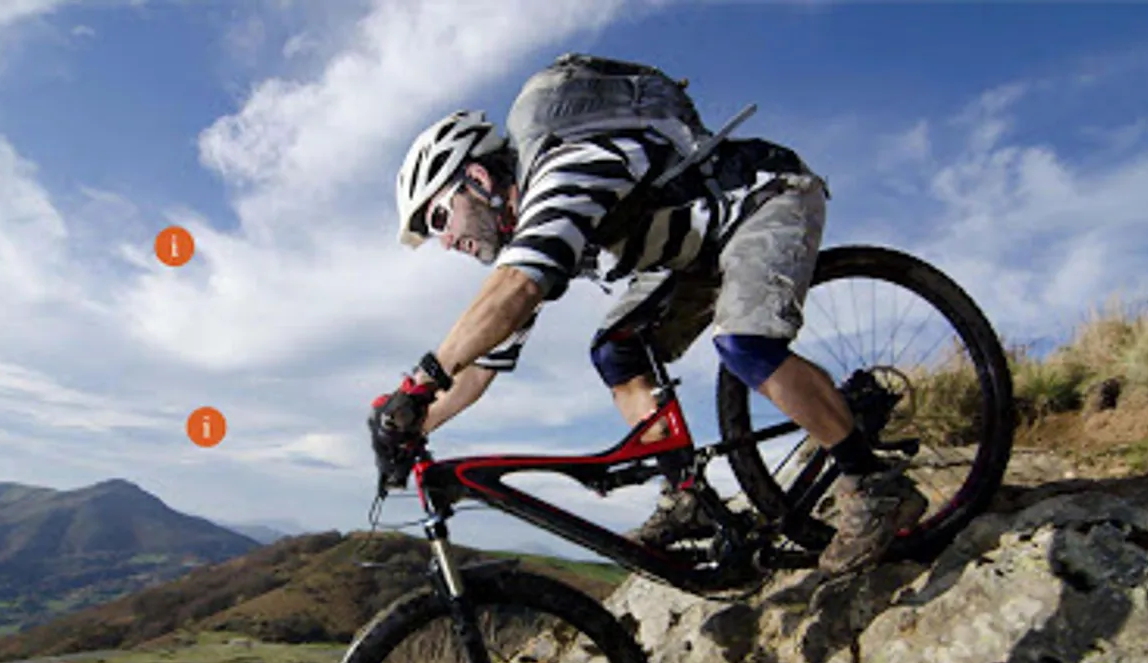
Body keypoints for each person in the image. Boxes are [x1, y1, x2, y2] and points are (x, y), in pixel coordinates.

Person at [368, 55, 927, 576]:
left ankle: (872, 483)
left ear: (478, 179)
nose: (446, 242)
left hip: (761, 199)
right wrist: (409, 426)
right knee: (618, 349)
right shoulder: (536, 222)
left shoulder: (564, 166)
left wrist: (421, 379)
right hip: (691, 255)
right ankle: (687, 495)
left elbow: (517, 286)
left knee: (744, 343)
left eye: (439, 218)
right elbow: (481, 365)